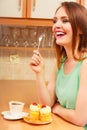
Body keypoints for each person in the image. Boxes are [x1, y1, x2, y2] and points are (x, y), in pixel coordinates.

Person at [29, 1, 87, 129]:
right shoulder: (61, 62)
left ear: (81, 29)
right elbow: (47, 104)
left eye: (65, 21)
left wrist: (57, 108)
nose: (56, 26)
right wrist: (39, 73)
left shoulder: (85, 65)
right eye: (55, 21)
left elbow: (81, 119)